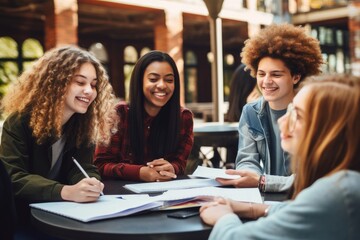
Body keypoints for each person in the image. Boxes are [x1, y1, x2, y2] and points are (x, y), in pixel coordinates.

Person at [200, 75, 360, 239]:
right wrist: (249, 208)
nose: (282, 121)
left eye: (297, 115)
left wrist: (223, 217)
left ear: (331, 131)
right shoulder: (344, 183)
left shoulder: (338, 193)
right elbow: (299, 210)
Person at [0, 46, 117, 233]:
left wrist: (90, 183)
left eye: (93, 85)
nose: (89, 91)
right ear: (56, 83)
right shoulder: (19, 122)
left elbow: (84, 168)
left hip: (68, 218)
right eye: (80, 82)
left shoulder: (83, 123)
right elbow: (13, 178)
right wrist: (66, 191)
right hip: (24, 221)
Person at [217, 23, 324, 192]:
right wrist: (250, 176)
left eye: (276, 74)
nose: (266, 81)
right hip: (267, 198)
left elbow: (313, 179)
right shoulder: (250, 111)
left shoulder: (314, 113)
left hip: (303, 197)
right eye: (261, 74)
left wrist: (262, 181)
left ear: (295, 77)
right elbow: (247, 159)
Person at [94, 50, 194, 182]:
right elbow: (100, 166)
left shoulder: (183, 118)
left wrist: (171, 168)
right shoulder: (118, 114)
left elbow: (180, 163)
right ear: (139, 81)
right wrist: (139, 172)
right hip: (120, 196)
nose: (162, 85)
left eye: (169, 80)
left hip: (165, 194)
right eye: (153, 79)